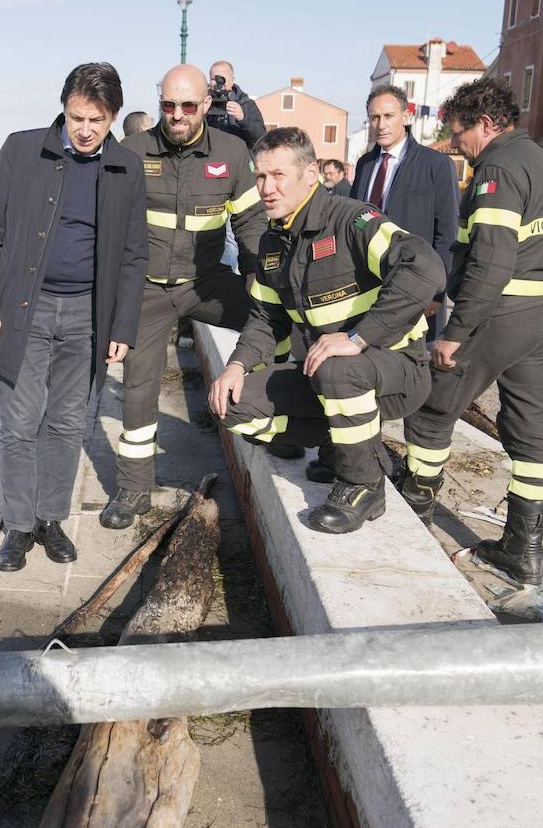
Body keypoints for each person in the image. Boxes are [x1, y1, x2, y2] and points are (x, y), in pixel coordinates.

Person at [207, 127, 443, 534]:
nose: (267, 187)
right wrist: (237, 366)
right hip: (329, 379)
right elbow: (266, 320)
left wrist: (358, 338)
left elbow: (424, 267)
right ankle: (348, 446)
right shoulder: (273, 241)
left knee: (336, 366)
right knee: (233, 405)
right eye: (260, 177)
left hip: (398, 371)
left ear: (311, 173)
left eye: (278, 175)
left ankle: (362, 485)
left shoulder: (352, 221)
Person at [399, 78, 543, 586]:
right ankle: (524, 550)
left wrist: (456, 332)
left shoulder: (497, 168)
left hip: (502, 313)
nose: (455, 144)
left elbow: (491, 260)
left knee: (434, 407)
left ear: (485, 124)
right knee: (529, 431)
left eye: (459, 133)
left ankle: (416, 503)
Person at [0, 62, 149, 572]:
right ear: (64, 109)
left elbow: (136, 255)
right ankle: (19, 528)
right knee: (19, 424)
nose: (85, 129)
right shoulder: (22, 149)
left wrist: (123, 327)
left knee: (69, 425)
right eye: (76, 118)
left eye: (96, 119)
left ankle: (51, 520)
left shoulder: (126, 168)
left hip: (90, 315)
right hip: (25, 308)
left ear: (112, 116)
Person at [100, 64, 266, 530]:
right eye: (168, 105)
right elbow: (107, 228)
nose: (177, 115)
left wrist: (260, 282)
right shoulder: (132, 151)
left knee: (280, 330)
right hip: (148, 292)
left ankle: (283, 427)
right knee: (138, 388)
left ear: (205, 106)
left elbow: (251, 227)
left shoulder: (233, 153)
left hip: (208, 282)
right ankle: (133, 490)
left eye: (187, 106)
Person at [351, 85, 460, 341]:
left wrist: (436, 293)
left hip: (417, 287)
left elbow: (447, 234)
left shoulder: (436, 164)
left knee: (413, 366)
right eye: (375, 117)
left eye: (388, 116)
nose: (381, 124)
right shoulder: (365, 164)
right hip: (368, 288)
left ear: (406, 117)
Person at [207, 60, 267, 149]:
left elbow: (261, 139)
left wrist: (243, 119)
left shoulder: (246, 104)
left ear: (232, 80)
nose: (217, 83)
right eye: (213, 79)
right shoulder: (204, 103)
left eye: (221, 79)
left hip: (238, 159)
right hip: (211, 159)